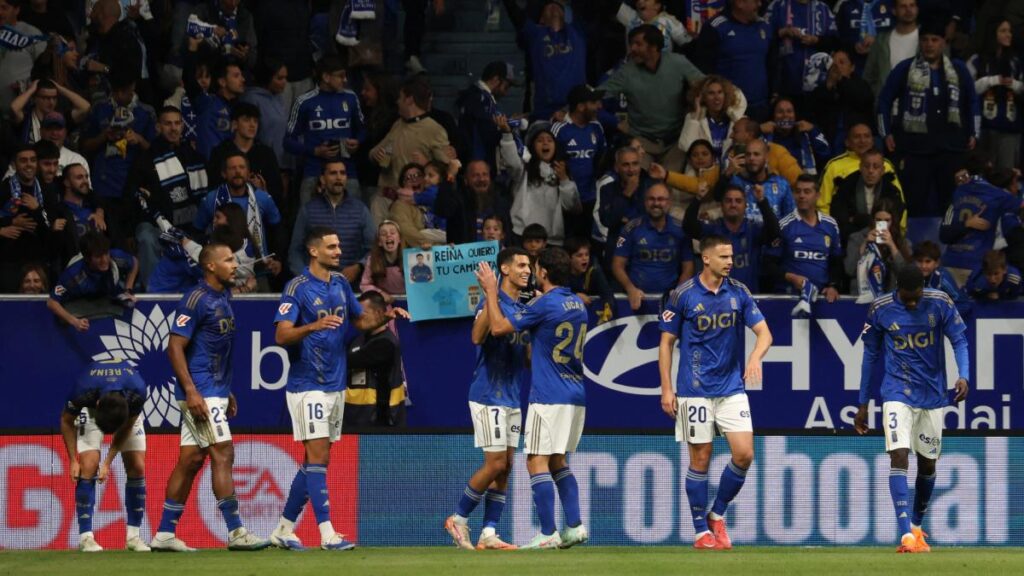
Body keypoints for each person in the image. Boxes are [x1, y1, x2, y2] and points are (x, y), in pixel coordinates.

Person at [269, 227, 409, 551]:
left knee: (316, 460)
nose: (338, 250)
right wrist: (313, 325)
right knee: (317, 457)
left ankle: (284, 528)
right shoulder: (297, 288)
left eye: (338, 245)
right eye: (331, 246)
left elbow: (359, 321)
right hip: (308, 385)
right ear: (314, 251)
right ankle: (327, 534)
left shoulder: (342, 284)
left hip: (335, 386)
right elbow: (281, 336)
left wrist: (387, 318)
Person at [150, 243, 269, 552]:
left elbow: (211, 347)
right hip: (200, 391)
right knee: (223, 453)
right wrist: (191, 391)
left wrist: (225, 389)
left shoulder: (223, 297)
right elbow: (174, 346)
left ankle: (164, 533)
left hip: (213, 389)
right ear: (211, 266)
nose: (235, 264)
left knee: (191, 460)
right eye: (228, 259)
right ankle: (236, 531)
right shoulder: (196, 299)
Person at [658, 234, 772, 549]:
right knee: (701, 457)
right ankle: (700, 532)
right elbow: (666, 342)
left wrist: (754, 357)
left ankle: (717, 514)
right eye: (724, 257)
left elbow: (764, 333)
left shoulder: (739, 292)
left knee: (745, 453)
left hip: (731, 387)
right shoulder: (682, 295)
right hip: (693, 390)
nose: (730, 262)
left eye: (732, 257)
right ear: (706, 258)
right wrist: (667, 388)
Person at [474, 248, 589, 550]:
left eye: (534, 266)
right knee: (559, 461)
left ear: (544, 273)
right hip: (576, 393)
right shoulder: (577, 303)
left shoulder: (543, 304)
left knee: (536, 460)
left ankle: (548, 531)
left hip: (549, 395)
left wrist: (490, 291)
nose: (531, 271)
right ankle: (575, 526)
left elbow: (498, 328)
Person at [856, 265, 970, 554]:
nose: (911, 303)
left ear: (923, 288)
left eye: (916, 297)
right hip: (896, 391)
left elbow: (959, 339)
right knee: (899, 455)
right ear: (897, 289)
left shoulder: (940, 302)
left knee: (928, 464)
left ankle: (918, 527)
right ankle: (906, 533)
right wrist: (863, 402)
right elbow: (870, 354)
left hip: (932, 395)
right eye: (906, 297)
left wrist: (964, 374)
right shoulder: (880, 308)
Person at [444, 247, 531, 551]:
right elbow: (476, 336)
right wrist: (491, 292)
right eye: (521, 265)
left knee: (506, 465)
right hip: (487, 394)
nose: (527, 270)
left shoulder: (525, 309)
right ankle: (458, 517)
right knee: (494, 463)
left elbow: (528, 358)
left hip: (511, 395)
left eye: (529, 265)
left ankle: (489, 533)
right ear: (504, 269)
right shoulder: (489, 301)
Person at [877, 16, 980, 223]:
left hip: (951, 149)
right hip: (916, 151)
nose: (929, 44)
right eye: (925, 40)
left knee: (953, 204)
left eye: (934, 40)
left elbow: (972, 103)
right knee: (912, 204)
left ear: (943, 42)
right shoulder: (905, 69)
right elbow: (884, 101)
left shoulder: (958, 69)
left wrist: (974, 132)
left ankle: (949, 250)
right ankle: (908, 249)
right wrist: (885, 132)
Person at [60, 359, 150, 552]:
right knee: (89, 464)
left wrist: (108, 462)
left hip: (125, 413)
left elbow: (126, 427)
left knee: (137, 466)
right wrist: (73, 460)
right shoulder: (83, 389)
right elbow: (66, 421)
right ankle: (86, 538)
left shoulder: (137, 391)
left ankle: (133, 537)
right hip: (91, 412)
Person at [598, 25, 705, 172]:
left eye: (638, 44)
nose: (632, 49)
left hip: (676, 142)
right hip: (642, 141)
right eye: (631, 44)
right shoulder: (626, 72)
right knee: (637, 181)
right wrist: (615, 123)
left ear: (654, 47)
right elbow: (595, 97)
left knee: (671, 188)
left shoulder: (678, 62)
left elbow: (706, 86)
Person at [129, 105, 209, 286]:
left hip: (191, 224)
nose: (173, 128)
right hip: (157, 224)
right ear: (158, 127)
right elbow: (135, 195)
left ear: (182, 126)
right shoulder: (145, 159)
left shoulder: (195, 157)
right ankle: (152, 295)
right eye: (167, 124)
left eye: (177, 123)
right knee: (146, 237)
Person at [286, 55, 364, 206]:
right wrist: (315, 151)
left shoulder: (351, 97)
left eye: (345, 75)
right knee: (312, 224)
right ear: (326, 77)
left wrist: (358, 141)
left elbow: (363, 130)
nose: (345, 80)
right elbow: (288, 141)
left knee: (352, 221)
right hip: (314, 172)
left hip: (347, 172)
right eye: (340, 76)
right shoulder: (304, 101)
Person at [612, 183, 695, 310]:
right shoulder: (630, 229)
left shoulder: (681, 230)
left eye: (661, 199)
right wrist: (630, 289)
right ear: (645, 202)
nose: (656, 203)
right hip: (637, 299)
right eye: (652, 199)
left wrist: (678, 293)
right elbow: (617, 265)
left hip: (670, 301)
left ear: (669, 202)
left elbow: (688, 266)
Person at [683, 183, 780, 292]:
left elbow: (774, 232)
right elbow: (688, 226)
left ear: (745, 206)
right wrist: (698, 198)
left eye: (738, 201)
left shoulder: (753, 230)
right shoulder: (713, 230)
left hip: (748, 299)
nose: (733, 204)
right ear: (722, 205)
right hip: (717, 299)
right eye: (728, 201)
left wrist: (762, 201)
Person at [938, 158, 1020, 286]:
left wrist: (965, 224)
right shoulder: (1002, 198)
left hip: (950, 264)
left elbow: (943, 235)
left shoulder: (959, 191)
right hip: (977, 267)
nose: (1018, 187)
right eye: (1016, 183)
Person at [289, 160, 374, 282]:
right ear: (323, 179)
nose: (339, 177)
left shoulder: (360, 210)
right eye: (333, 173)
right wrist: (306, 278)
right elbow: (295, 251)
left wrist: (359, 266)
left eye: (342, 173)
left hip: (352, 286)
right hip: (315, 286)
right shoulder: (308, 210)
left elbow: (373, 248)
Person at [500, 121, 580, 248]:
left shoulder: (563, 170)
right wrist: (507, 135)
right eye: (540, 140)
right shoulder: (524, 169)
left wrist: (564, 179)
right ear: (532, 145)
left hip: (552, 240)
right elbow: (512, 163)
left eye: (549, 140)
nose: (545, 143)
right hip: (523, 235)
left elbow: (572, 206)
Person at [691, 0, 775, 119]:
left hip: (760, 108)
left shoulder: (765, 26)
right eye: (755, 1)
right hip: (728, 109)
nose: (759, 4)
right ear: (739, 3)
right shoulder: (715, 27)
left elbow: (773, 64)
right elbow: (703, 71)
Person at [773, 175, 842, 316]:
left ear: (817, 195)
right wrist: (790, 277)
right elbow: (769, 264)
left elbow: (836, 261)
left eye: (807, 191)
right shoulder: (784, 225)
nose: (802, 196)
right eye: (798, 191)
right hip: (788, 300)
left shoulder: (830, 225)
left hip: (821, 301)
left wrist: (833, 285)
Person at [196, 152, 282, 264]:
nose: (237, 171)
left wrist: (278, 259)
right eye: (232, 168)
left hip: (259, 267)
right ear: (224, 173)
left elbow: (277, 231)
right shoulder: (211, 199)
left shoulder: (263, 198)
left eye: (242, 167)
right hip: (222, 269)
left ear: (248, 172)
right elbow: (196, 232)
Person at [370, 75, 452, 190]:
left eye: (400, 97)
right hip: (386, 196)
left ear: (409, 100)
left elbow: (448, 170)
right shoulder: (398, 124)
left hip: (414, 200)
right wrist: (376, 155)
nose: (397, 102)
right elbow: (375, 153)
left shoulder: (434, 130)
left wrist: (427, 164)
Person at [47, 231, 138, 331]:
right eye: (98, 256)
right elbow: (52, 302)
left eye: (106, 253)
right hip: (79, 304)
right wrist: (75, 322)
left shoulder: (116, 257)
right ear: (87, 258)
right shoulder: (73, 275)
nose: (104, 260)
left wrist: (128, 290)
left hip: (107, 297)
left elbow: (134, 262)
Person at [967, 20, 1024, 172]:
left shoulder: (1016, 62)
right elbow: (968, 90)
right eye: (1003, 31)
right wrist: (992, 80)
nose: (1008, 35)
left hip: (1009, 128)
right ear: (993, 34)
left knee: (1006, 173)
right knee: (984, 172)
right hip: (984, 128)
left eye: (1010, 31)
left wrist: (1014, 84)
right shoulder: (976, 60)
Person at [552, 85, 607, 239]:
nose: (598, 106)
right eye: (594, 102)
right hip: (566, 201)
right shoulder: (559, 129)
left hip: (591, 198)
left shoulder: (596, 128)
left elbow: (602, 157)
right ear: (581, 106)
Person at [345, 290, 407, 428]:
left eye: (362, 313)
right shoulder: (356, 340)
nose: (357, 317)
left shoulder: (386, 343)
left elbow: (352, 360)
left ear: (379, 313)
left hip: (382, 422)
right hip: (353, 420)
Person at [817, 122, 903, 219]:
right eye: (857, 137)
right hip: (846, 227)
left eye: (866, 136)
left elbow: (899, 203)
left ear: (872, 141)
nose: (862, 140)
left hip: (884, 228)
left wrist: (898, 231)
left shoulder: (886, 165)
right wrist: (828, 231)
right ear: (847, 142)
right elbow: (822, 205)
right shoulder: (833, 166)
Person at [521, 1, 587, 121]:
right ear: (541, 20)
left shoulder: (577, 31)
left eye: (558, 6)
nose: (553, 7)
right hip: (545, 114)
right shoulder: (535, 35)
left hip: (574, 111)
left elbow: (584, 7)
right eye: (548, 8)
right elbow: (517, 15)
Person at [208, 102, 283, 202]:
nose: (252, 125)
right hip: (228, 209)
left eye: (255, 121)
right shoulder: (220, 152)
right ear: (235, 124)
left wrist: (262, 190)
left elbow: (277, 191)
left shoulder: (266, 153)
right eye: (246, 120)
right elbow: (213, 186)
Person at [0, 143, 50, 292]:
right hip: (8, 263)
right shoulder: (3, 189)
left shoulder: (47, 190)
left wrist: (37, 209)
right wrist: (7, 224)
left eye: (32, 160)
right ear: (14, 164)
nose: (29, 164)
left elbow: (51, 227)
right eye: (23, 160)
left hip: (38, 262)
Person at [765, 0, 839, 100]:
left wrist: (816, 40)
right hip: (783, 87)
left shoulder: (823, 9)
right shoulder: (778, 5)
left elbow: (835, 42)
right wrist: (782, 32)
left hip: (817, 88)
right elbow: (761, 37)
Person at [829, 148, 905, 245]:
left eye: (876, 167)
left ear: (882, 170)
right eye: (866, 166)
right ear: (860, 167)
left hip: (884, 239)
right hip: (851, 239)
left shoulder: (891, 191)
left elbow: (894, 218)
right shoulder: (846, 187)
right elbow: (840, 218)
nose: (870, 171)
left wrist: (857, 219)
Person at [845, 197, 912, 300]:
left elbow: (907, 276)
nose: (882, 224)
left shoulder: (902, 242)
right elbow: (850, 270)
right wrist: (865, 243)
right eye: (878, 220)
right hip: (862, 298)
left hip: (891, 300)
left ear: (893, 221)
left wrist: (892, 246)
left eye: (887, 220)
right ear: (872, 219)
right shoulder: (857, 238)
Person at [595, 146, 653, 260]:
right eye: (626, 165)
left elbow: (651, 219)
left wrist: (625, 220)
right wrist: (627, 193)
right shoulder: (607, 189)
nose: (631, 169)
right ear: (617, 167)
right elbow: (607, 220)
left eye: (635, 164)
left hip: (645, 250)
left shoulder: (650, 187)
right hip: (617, 250)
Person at [455, 61, 511, 172]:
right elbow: (486, 135)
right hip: (479, 165)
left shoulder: (479, 97)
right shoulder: (480, 99)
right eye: (506, 86)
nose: (506, 93)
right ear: (496, 80)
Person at [678, 75, 747, 165]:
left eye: (720, 92)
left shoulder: (737, 119)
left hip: (729, 171)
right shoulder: (693, 118)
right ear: (702, 98)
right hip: (702, 172)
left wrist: (733, 115)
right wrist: (696, 116)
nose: (717, 97)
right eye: (711, 93)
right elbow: (685, 146)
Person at [726, 138, 796, 224]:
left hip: (773, 235)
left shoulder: (781, 184)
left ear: (766, 158)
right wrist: (727, 174)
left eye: (756, 154)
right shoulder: (735, 182)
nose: (751, 158)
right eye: (748, 154)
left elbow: (791, 218)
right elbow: (718, 199)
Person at [761, 97, 831, 175]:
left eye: (789, 111)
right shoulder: (764, 135)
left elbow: (826, 154)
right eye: (780, 112)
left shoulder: (807, 134)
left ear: (795, 115)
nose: (785, 115)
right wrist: (758, 130)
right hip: (772, 184)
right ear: (773, 115)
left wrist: (813, 131)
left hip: (803, 183)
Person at [863, 0, 919, 97]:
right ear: (894, 10)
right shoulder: (881, 41)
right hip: (886, 106)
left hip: (917, 104)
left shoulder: (927, 40)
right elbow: (869, 77)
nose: (909, 10)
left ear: (917, 9)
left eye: (912, 5)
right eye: (903, 6)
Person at [834, 0, 895, 74]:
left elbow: (901, 34)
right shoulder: (846, 6)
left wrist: (877, 42)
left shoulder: (892, 4)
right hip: (856, 67)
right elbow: (839, 39)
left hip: (887, 64)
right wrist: (854, 45)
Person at [565, 237, 616, 323]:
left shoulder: (594, 269)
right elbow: (554, 292)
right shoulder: (561, 270)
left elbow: (607, 292)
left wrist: (608, 307)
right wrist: (574, 296)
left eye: (587, 254)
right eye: (579, 255)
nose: (585, 258)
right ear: (570, 258)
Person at [616, 0, 691, 52]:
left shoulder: (668, 21)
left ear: (657, 5)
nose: (640, 1)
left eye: (646, 0)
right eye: (638, 0)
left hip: (661, 68)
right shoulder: (631, 17)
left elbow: (686, 42)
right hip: (632, 68)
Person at [360, 220, 407, 300]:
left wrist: (427, 251)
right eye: (383, 234)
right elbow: (364, 285)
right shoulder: (372, 260)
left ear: (399, 239)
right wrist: (380, 294)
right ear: (379, 242)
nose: (388, 235)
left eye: (392, 233)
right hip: (385, 304)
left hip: (409, 304)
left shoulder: (411, 258)